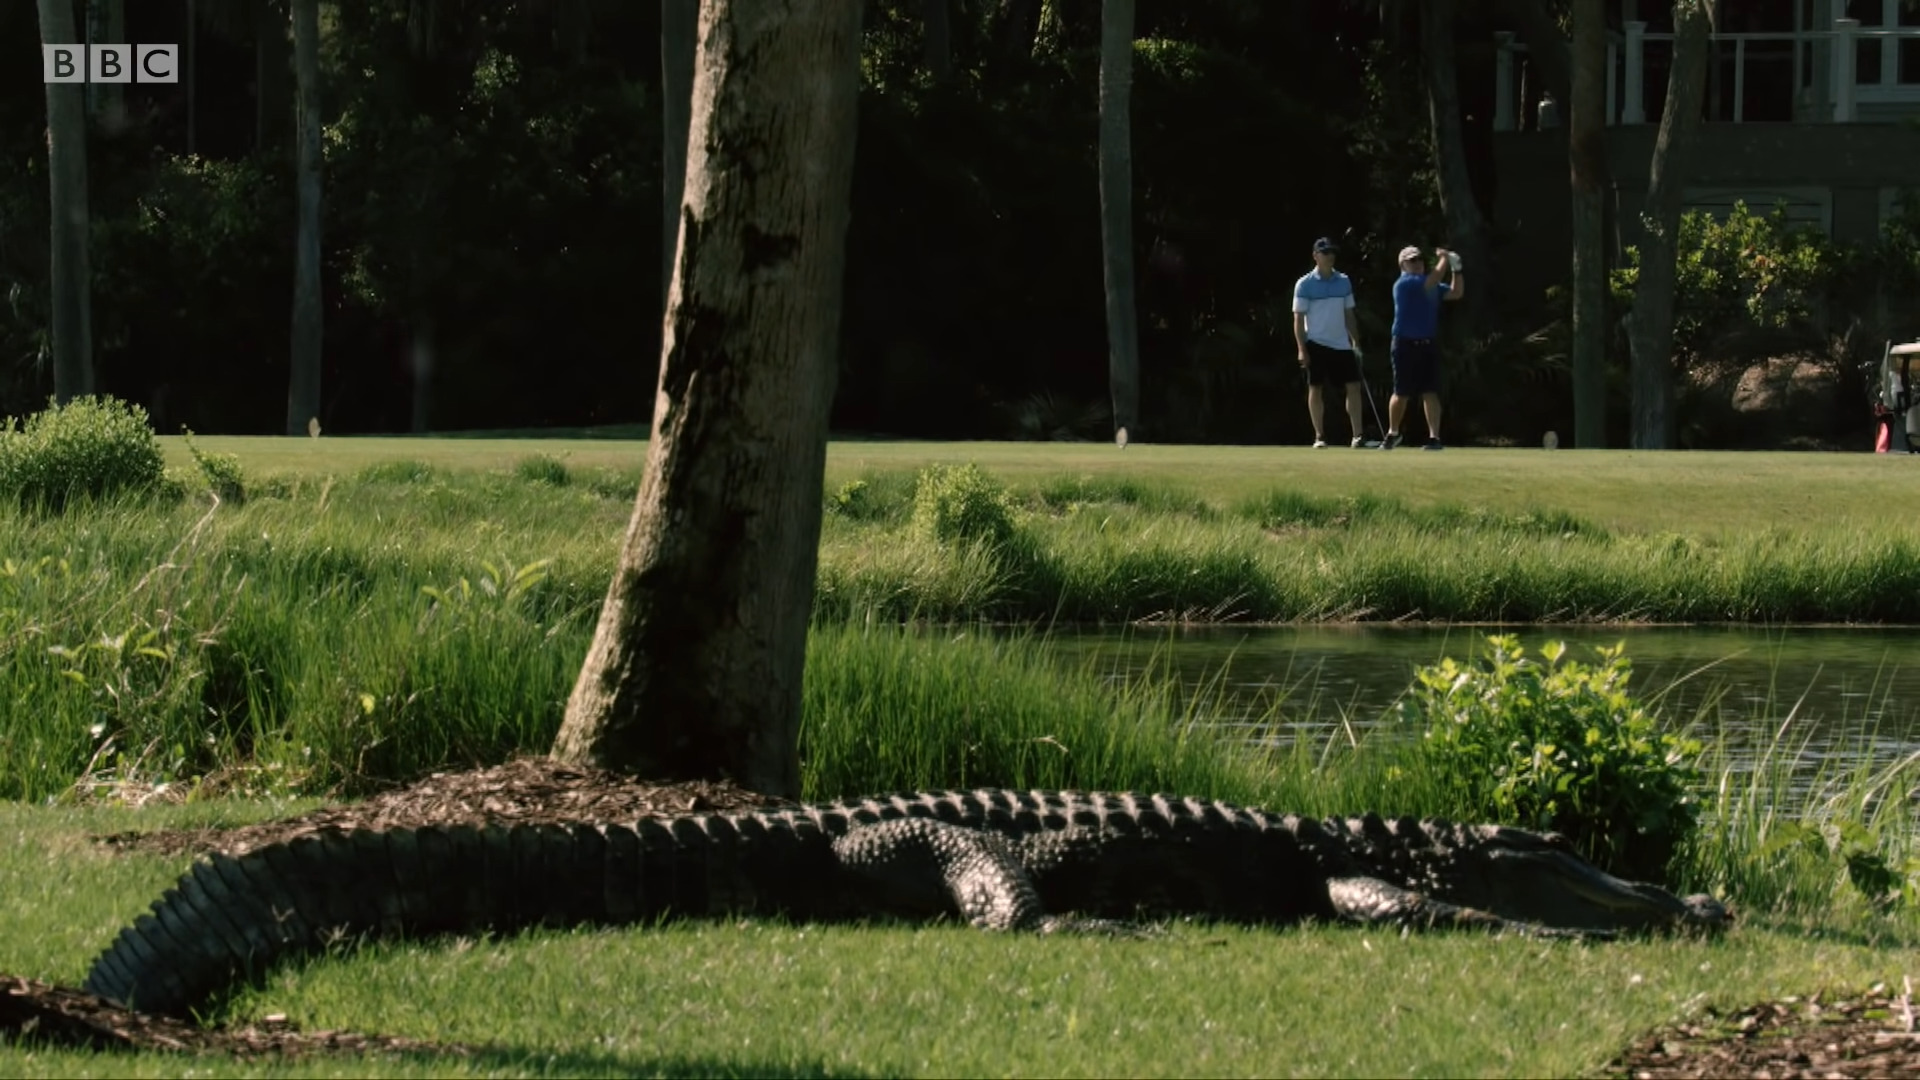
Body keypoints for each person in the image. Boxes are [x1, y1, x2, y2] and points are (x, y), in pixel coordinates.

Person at [1383, 244, 1465, 450]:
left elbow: (1456, 293)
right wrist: (1445, 258)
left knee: (1430, 392)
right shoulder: (1404, 284)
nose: (1417, 263)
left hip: (1427, 344)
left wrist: (1457, 269)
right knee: (1401, 393)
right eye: (1412, 261)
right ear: (1403, 264)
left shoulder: (1431, 285)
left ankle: (1434, 438)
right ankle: (1393, 433)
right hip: (1404, 344)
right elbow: (1434, 279)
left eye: (1419, 260)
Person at [1292, 237, 1367, 448]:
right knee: (1315, 388)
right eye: (1325, 253)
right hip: (1316, 342)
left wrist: (1356, 341)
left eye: (1332, 253)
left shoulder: (1343, 281)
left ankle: (1357, 436)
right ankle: (1319, 436)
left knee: (1353, 387)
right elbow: (1298, 319)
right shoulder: (1304, 284)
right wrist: (1301, 348)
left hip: (1341, 344)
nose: (1330, 256)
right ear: (1316, 256)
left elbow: (1349, 314)